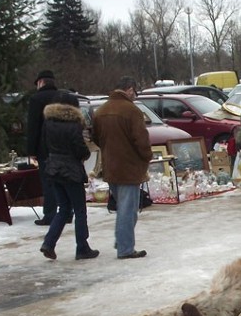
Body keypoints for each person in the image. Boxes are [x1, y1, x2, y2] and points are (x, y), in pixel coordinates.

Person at [92, 76, 152, 259]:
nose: (135, 95)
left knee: (122, 207)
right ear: (129, 89)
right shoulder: (132, 111)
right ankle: (125, 247)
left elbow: (96, 138)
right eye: (135, 91)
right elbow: (141, 140)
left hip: (110, 166)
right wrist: (147, 157)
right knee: (128, 209)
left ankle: (122, 240)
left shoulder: (101, 110)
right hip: (129, 167)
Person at [38, 93, 98, 261]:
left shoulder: (48, 123)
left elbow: (43, 145)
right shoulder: (74, 125)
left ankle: (49, 243)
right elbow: (80, 149)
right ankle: (82, 247)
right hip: (71, 170)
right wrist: (85, 154)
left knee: (63, 208)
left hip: (53, 169)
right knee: (79, 210)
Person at [26, 70, 63, 226]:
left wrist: (31, 151)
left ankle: (50, 214)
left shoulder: (36, 99)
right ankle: (67, 212)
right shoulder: (63, 97)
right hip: (63, 146)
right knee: (64, 179)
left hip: (45, 148)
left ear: (41, 82)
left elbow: (33, 126)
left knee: (48, 181)